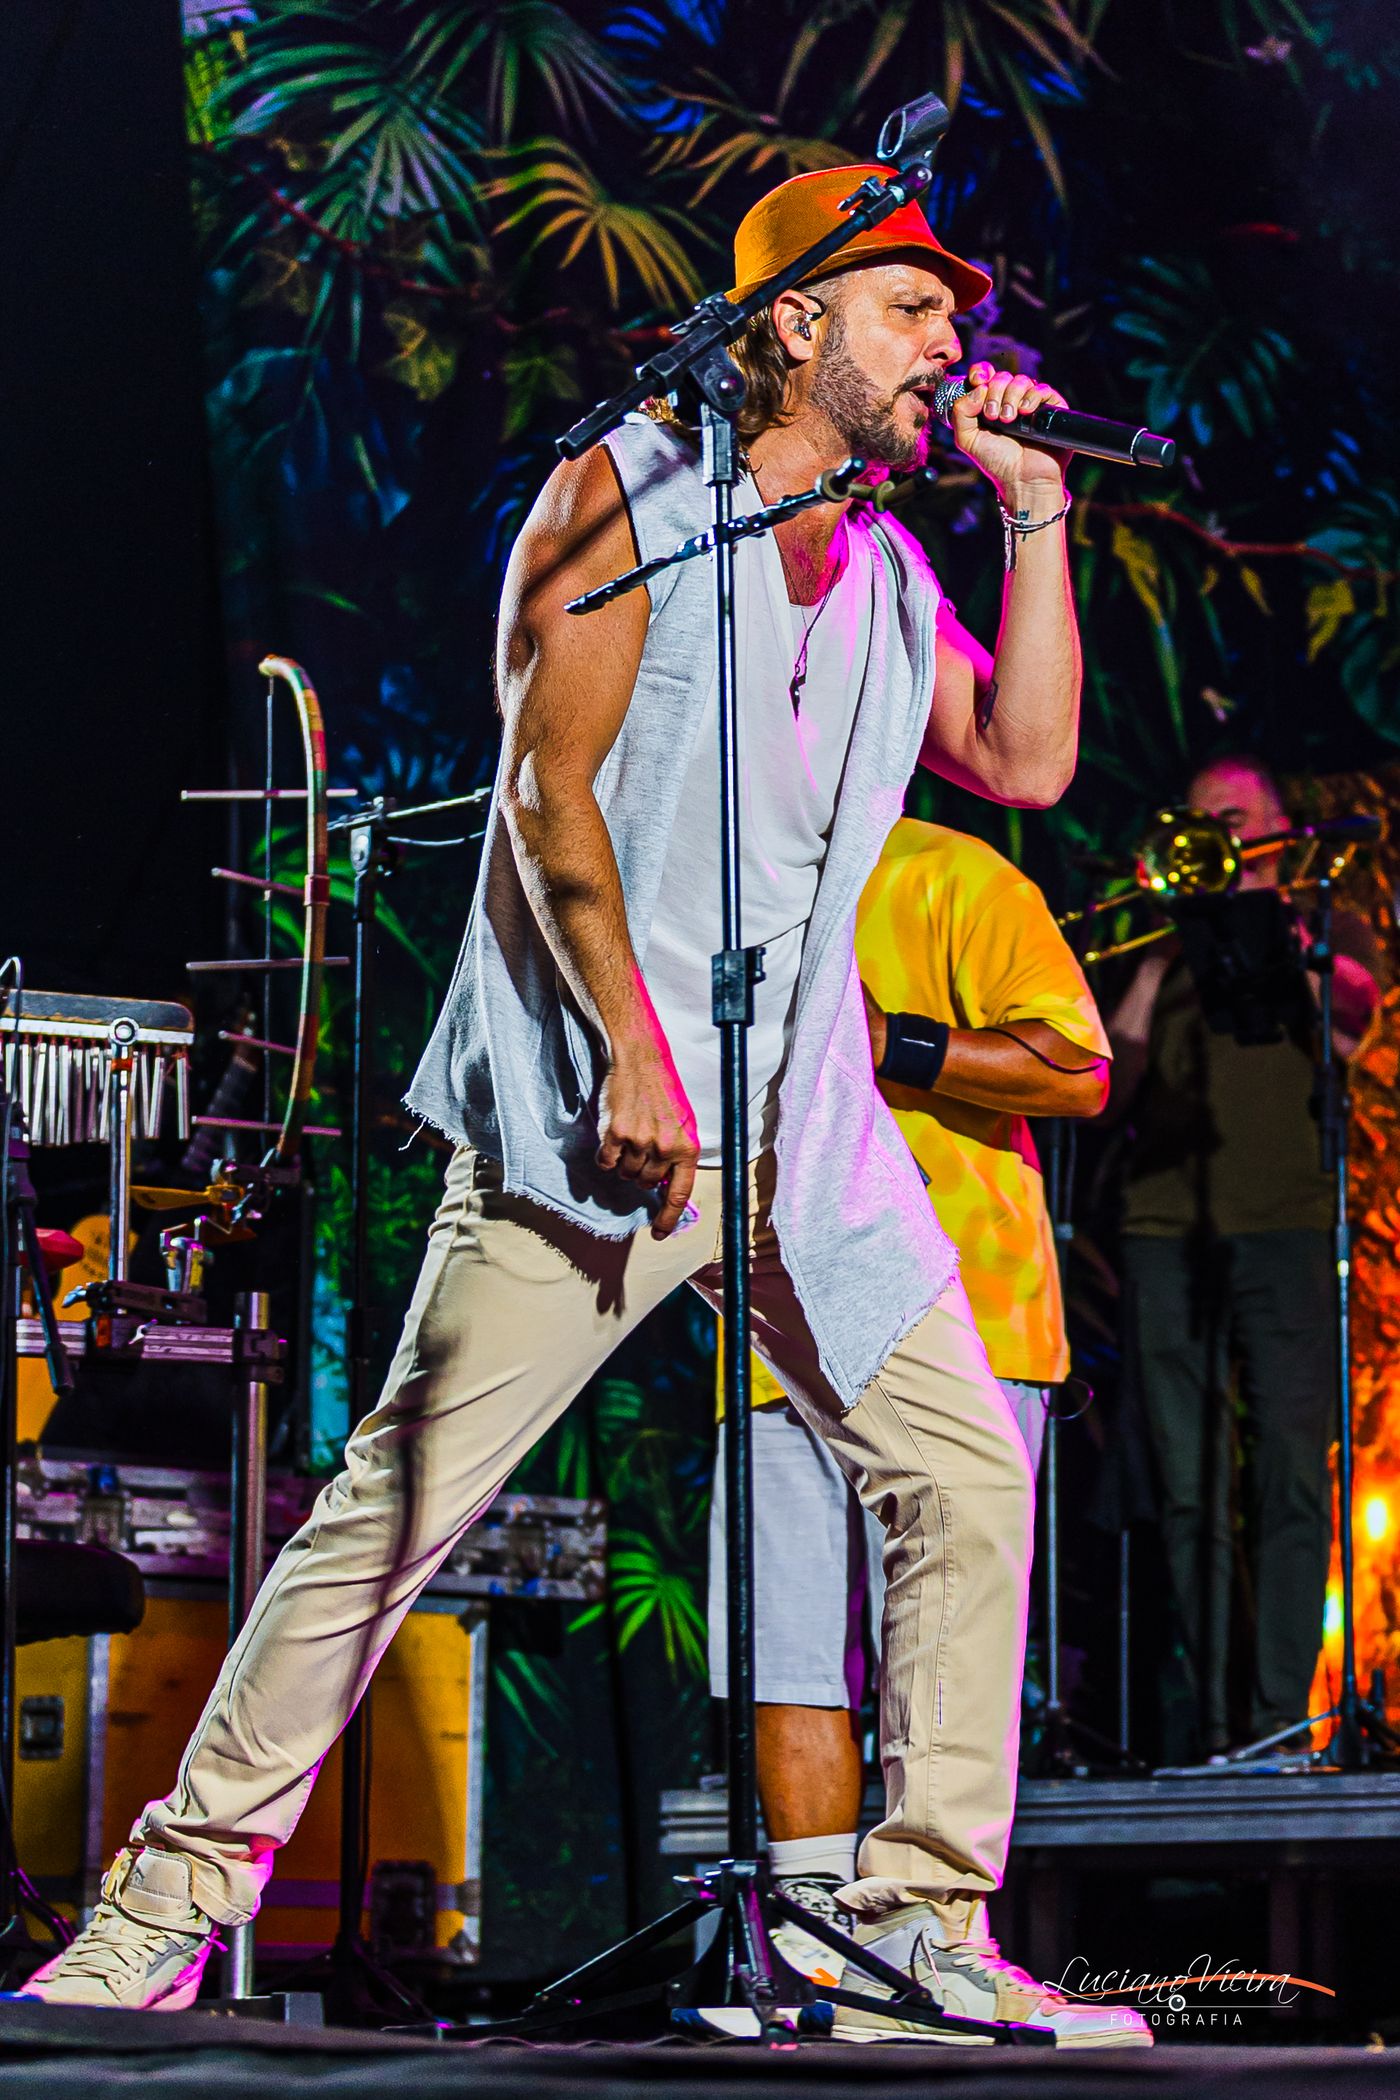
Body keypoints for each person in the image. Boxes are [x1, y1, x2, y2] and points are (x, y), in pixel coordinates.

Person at [23, 164, 1146, 2046]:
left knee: (963, 1474)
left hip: (805, 1138)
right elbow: (554, 793)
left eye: (956, 318)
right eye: (913, 311)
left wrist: (1033, 511)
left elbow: (1025, 758)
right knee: (397, 1509)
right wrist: (629, 1038)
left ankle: (914, 1934)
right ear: (795, 322)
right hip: (597, 1124)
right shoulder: (627, 500)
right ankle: (162, 1912)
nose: (953, 346)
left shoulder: (888, 571)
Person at [709, 815, 1110, 1950]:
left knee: (941, 1644)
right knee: (788, 1651)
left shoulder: (952, 872)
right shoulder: (729, 875)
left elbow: (1078, 1070)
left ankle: (924, 1932)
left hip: (967, 1316)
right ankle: (810, 1944)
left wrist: (891, 1044)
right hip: (777, 1312)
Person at [1109, 753, 1380, 1759]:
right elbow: (1106, 1085)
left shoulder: (1322, 932)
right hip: (1161, 1231)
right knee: (1188, 1490)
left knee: (1291, 1478)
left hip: (1285, 1228)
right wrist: (1155, 961)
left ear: (1275, 827)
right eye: (1199, 821)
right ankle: (1213, 1728)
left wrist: (1281, 930)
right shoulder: (1157, 946)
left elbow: (1351, 1024)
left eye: (1231, 819)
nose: (1214, 836)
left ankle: (1278, 1721)